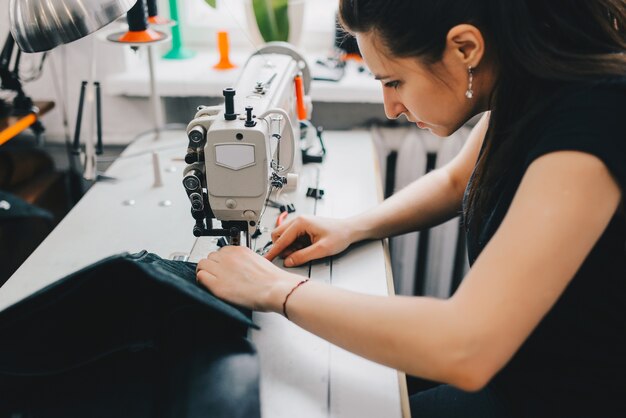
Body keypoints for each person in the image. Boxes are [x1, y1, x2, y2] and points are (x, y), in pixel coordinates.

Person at [196, 1, 626, 416]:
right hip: (518, 372)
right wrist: (352, 226)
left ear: (465, 49)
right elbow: (457, 180)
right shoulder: (528, 78)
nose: (390, 107)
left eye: (394, 81)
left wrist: (276, 289)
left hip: (556, 399)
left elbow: (466, 347)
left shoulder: (593, 122)